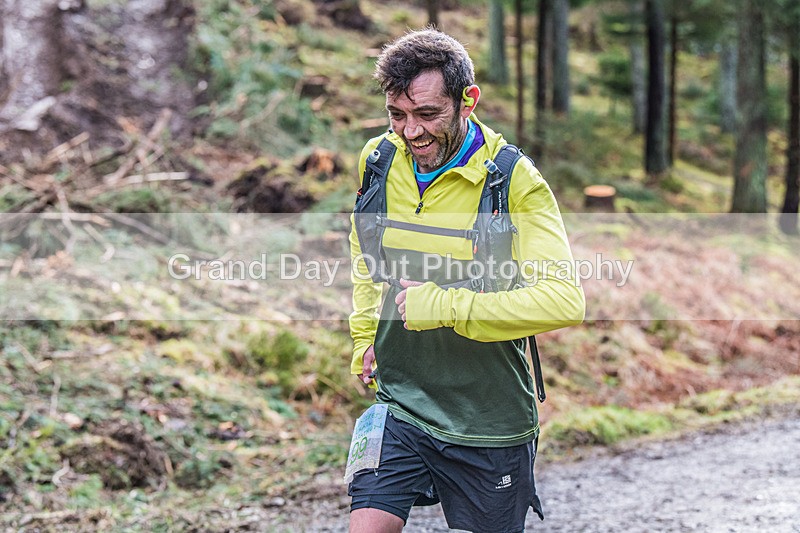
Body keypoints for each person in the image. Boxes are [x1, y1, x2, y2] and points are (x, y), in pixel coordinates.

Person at [347, 28, 585, 533]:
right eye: (397, 115)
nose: (411, 132)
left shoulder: (512, 181)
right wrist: (366, 333)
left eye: (427, 114)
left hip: (488, 422)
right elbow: (365, 251)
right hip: (401, 400)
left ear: (467, 101)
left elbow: (564, 300)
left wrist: (446, 305)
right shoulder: (379, 159)